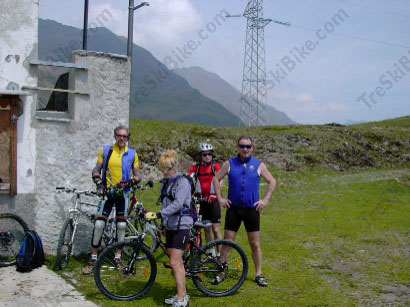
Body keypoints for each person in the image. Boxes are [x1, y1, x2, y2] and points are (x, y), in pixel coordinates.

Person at [212, 136, 276, 287]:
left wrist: (265, 200)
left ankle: (259, 274)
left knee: (254, 243)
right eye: (242, 146)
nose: (245, 149)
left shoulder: (258, 165)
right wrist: (220, 197)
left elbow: (272, 181)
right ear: (237, 147)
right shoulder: (229, 163)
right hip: (233, 209)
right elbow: (216, 179)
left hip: (252, 210)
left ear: (252, 148)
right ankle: (221, 272)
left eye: (248, 146)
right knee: (227, 242)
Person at [82, 125, 141, 275]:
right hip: (107, 193)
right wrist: (99, 183)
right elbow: (96, 170)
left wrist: (130, 182)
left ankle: (118, 257)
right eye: (119, 135)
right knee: (100, 223)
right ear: (115, 136)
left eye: (124, 136)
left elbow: (138, 175)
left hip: (123, 194)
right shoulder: (106, 150)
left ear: (128, 138)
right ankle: (93, 258)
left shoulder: (132, 154)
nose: (122, 138)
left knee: (121, 226)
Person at [159, 150, 193, 307]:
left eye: (168, 168)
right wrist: (164, 224)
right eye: (163, 169)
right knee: (176, 262)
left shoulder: (182, 182)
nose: (165, 172)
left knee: (175, 261)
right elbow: (166, 203)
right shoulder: (166, 183)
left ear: (174, 167)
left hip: (182, 224)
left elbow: (178, 204)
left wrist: (160, 214)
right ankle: (181, 294)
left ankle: (182, 299)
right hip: (171, 225)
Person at [188, 143, 222, 249]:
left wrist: (216, 194)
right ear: (200, 156)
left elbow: (220, 181)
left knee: (216, 229)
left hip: (213, 201)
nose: (207, 157)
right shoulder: (195, 168)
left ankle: (221, 256)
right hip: (201, 202)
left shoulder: (215, 167)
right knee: (206, 229)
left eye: (209, 154)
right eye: (204, 155)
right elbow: (189, 178)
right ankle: (210, 253)